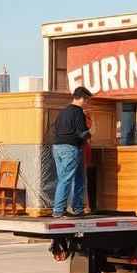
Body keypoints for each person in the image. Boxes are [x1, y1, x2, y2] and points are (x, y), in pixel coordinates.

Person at [52, 86, 93, 218]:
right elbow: (82, 133)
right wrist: (91, 133)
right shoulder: (78, 112)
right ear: (82, 98)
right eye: (87, 100)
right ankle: (59, 210)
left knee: (75, 178)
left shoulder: (63, 112)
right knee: (67, 179)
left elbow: (56, 128)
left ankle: (78, 208)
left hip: (57, 147)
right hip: (71, 148)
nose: (87, 103)